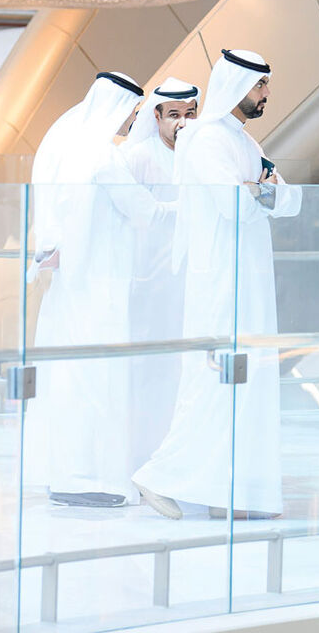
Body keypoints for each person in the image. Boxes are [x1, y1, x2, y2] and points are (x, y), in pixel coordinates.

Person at [134, 49, 304, 521]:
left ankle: (232, 493)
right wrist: (259, 189)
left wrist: (259, 187)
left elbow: (290, 199)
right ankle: (156, 476)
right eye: (260, 86)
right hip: (220, 285)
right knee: (211, 385)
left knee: (246, 386)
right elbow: (236, 206)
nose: (266, 94)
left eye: (266, 85)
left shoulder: (247, 144)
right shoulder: (207, 140)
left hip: (249, 281)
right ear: (236, 87)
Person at [23, 71, 162, 508]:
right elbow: (145, 212)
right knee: (97, 382)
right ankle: (90, 477)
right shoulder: (104, 158)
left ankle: (65, 473)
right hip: (99, 290)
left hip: (69, 291)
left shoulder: (67, 145)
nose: (132, 120)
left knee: (67, 378)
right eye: (132, 112)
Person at [117, 77, 197, 476]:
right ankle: (137, 459)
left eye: (189, 115)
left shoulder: (196, 154)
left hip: (187, 282)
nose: (182, 124)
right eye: (174, 116)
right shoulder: (138, 157)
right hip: (147, 282)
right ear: (157, 116)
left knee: (181, 372)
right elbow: (131, 215)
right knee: (146, 372)